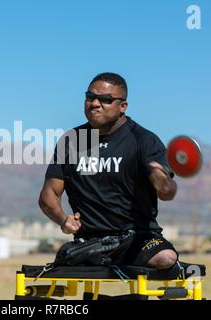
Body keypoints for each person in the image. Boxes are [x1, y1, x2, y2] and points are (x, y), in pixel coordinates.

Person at [38, 72, 178, 270]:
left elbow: (167, 193)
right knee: (63, 258)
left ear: (123, 107)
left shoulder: (144, 140)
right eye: (90, 97)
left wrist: (162, 182)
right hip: (89, 243)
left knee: (166, 258)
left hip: (137, 238)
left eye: (105, 99)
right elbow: (49, 194)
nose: (95, 103)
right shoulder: (71, 141)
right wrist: (63, 219)